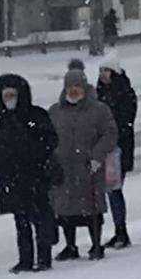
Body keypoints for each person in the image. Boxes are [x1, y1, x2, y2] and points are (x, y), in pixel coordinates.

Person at [0, 73, 59, 273]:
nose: (10, 100)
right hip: (14, 180)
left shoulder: (35, 115)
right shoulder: (4, 121)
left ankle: (44, 258)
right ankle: (25, 259)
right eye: (6, 97)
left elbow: (50, 140)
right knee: (21, 222)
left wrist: (33, 156)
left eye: (12, 95)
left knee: (39, 219)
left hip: (34, 176)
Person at [50, 61, 118, 261]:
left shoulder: (99, 110)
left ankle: (96, 245)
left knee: (92, 208)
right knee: (65, 210)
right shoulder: (55, 111)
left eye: (77, 86)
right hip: (64, 169)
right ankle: (70, 246)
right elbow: (47, 137)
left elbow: (110, 134)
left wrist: (97, 156)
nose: (73, 90)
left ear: (84, 87)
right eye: (70, 87)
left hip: (89, 167)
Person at [97, 62, 138, 250]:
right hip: (105, 148)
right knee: (110, 191)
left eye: (106, 71)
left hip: (118, 148)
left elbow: (125, 121)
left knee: (114, 190)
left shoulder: (124, 93)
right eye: (101, 71)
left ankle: (121, 231)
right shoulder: (100, 94)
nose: (103, 75)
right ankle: (118, 231)